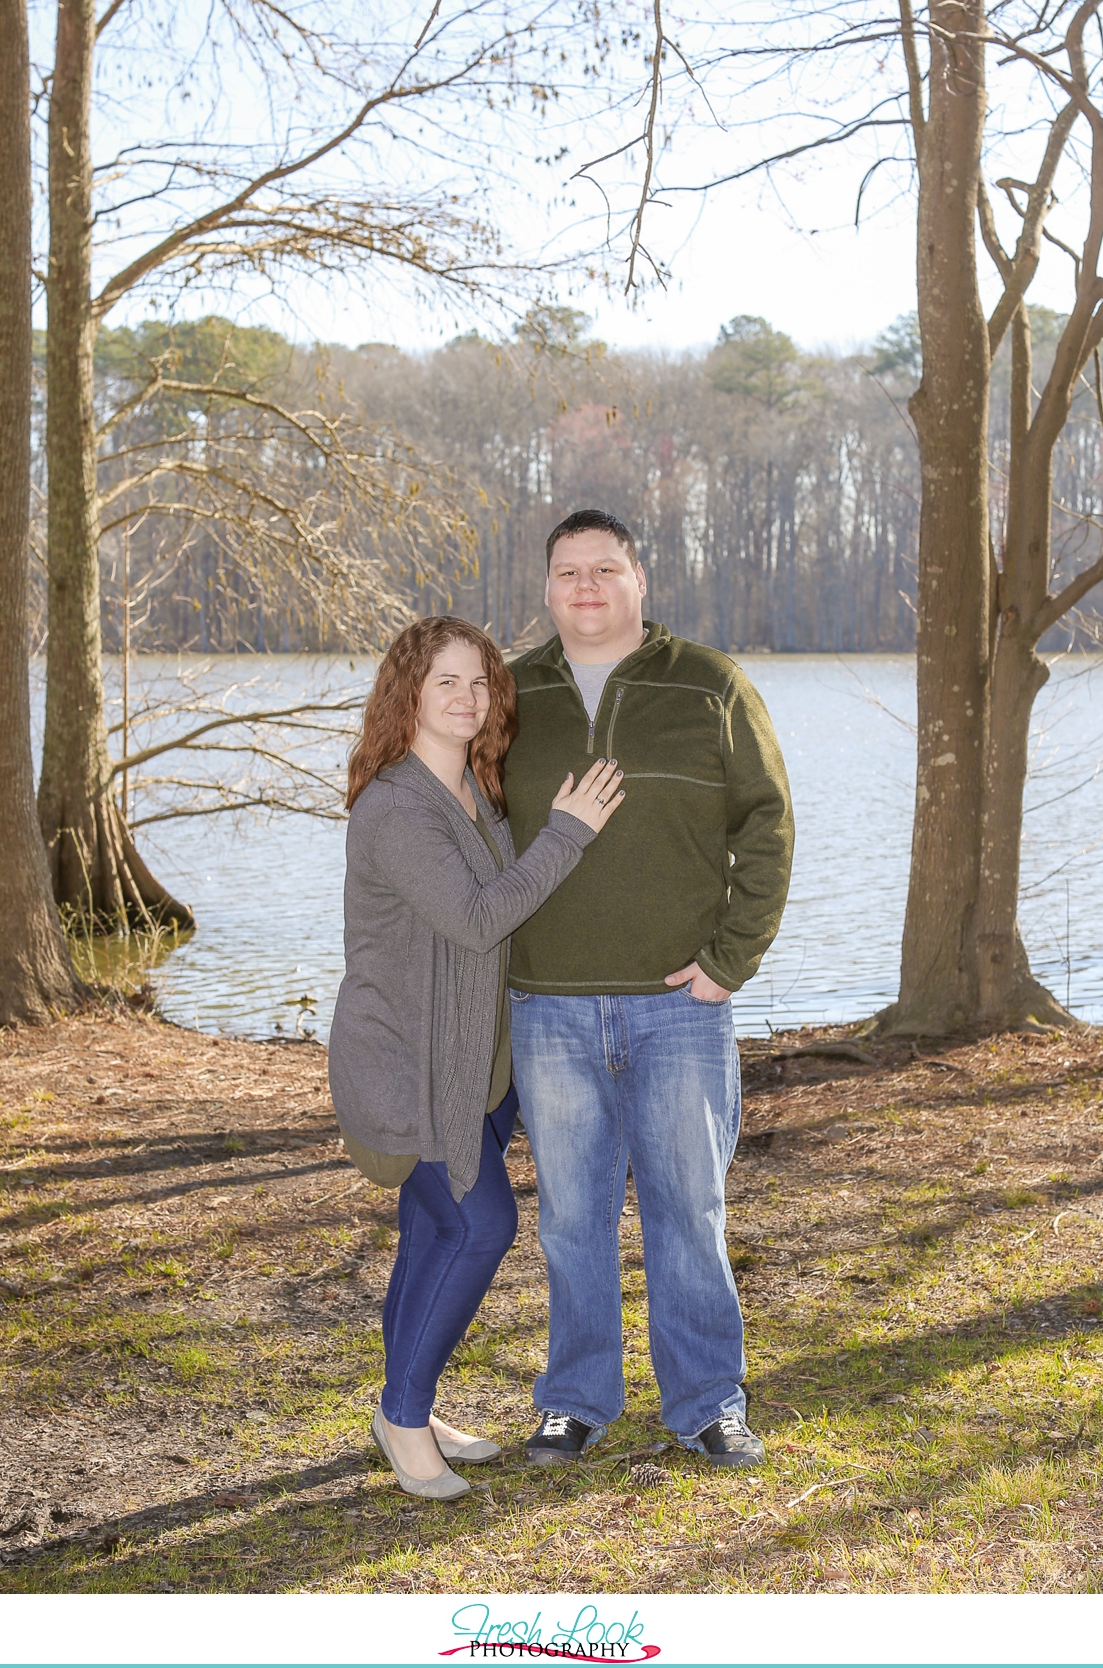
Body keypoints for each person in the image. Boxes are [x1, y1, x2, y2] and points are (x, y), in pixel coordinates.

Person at [502, 510, 794, 1469]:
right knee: (571, 1215)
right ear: (546, 589)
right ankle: (576, 1400)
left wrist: (729, 961)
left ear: (639, 579)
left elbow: (768, 827)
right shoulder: (511, 694)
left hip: (681, 1005)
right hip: (547, 1002)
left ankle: (709, 1402)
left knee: (688, 1209)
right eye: (567, 572)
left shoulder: (709, 685)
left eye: (604, 569)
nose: (585, 587)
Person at [327, 614, 623, 1501]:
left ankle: (405, 1401)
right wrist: (568, 830)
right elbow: (478, 917)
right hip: (407, 1072)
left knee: (431, 1235)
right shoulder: (395, 805)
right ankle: (405, 1419)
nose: (467, 697)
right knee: (478, 1225)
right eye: (446, 681)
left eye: (481, 682)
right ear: (408, 694)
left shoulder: (473, 795)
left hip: (475, 1065)